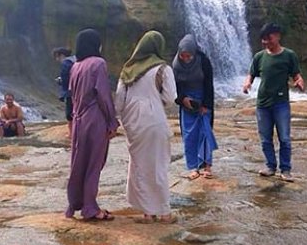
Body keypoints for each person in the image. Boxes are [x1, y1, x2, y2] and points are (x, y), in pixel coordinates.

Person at [114, 31, 178, 224]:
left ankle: (147, 213)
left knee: (139, 165)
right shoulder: (163, 69)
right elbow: (170, 98)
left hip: (132, 122)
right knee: (158, 164)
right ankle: (164, 212)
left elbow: (118, 102)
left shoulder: (128, 69)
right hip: (153, 119)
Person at [66, 28, 119, 221]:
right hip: (95, 117)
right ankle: (90, 207)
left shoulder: (75, 66)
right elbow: (103, 96)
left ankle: (74, 204)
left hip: (79, 118)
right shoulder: (98, 63)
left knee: (78, 162)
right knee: (94, 163)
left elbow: (71, 95)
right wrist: (112, 122)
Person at [242, 22, 305, 182]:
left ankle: (285, 169)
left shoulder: (289, 55)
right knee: (265, 138)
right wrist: (247, 83)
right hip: (262, 104)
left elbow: (296, 74)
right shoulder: (259, 57)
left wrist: (299, 81)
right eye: (263, 39)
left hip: (281, 103)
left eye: (268, 38)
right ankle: (270, 166)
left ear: (277, 36)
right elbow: (251, 74)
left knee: (284, 137)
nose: (266, 42)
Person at [173, 34, 218, 180]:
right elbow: (175, 87)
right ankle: (192, 167)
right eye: (183, 56)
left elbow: (209, 84)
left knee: (205, 133)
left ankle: (207, 166)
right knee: (189, 135)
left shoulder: (203, 61)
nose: (186, 59)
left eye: (189, 56)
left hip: (202, 99)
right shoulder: (176, 65)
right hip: (186, 102)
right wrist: (183, 99)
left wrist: (206, 105)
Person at [52, 47, 76, 133]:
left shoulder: (65, 63)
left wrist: (60, 81)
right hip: (79, 90)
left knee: (69, 114)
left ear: (61, 55)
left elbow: (66, 80)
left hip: (70, 92)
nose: (57, 59)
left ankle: (72, 134)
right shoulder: (76, 60)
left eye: (57, 57)